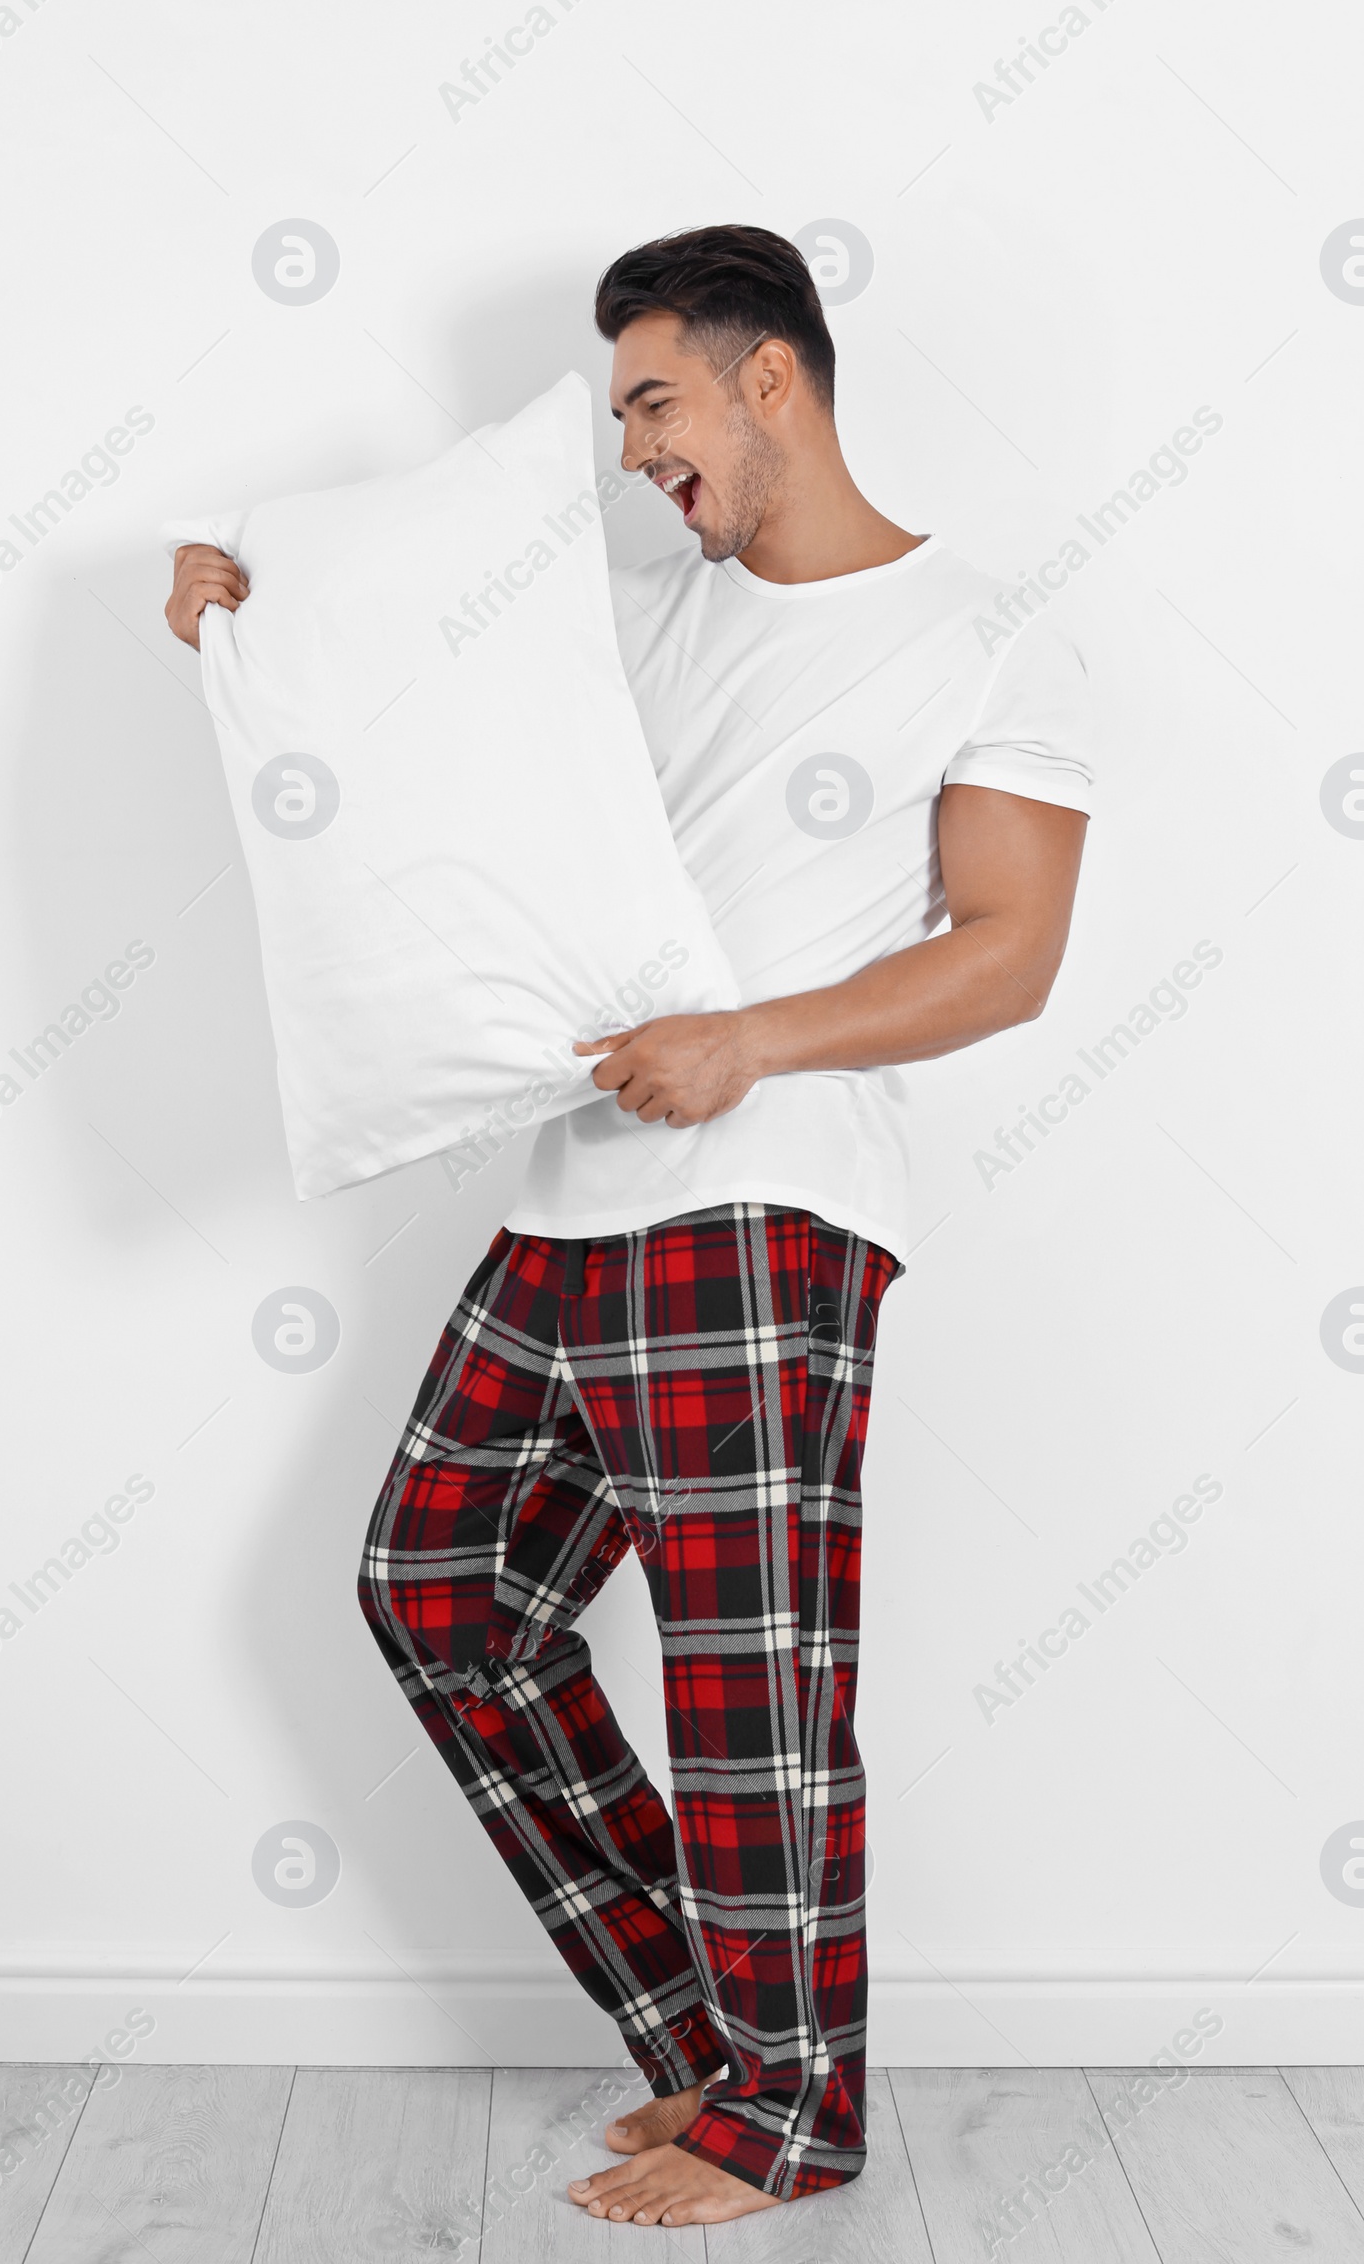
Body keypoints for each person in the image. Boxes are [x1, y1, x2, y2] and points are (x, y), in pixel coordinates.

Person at [165, 224, 1092, 2230]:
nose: (634, 452)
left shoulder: (978, 633)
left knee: (746, 1681)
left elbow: (1006, 955)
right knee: (439, 1594)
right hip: (573, 1192)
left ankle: (797, 2117)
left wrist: (746, 1038)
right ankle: (704, 2042)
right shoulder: (626, 620)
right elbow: (414, 694)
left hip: (766, 1209)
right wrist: (242, 598)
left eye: (653, 402)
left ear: (772, 381)